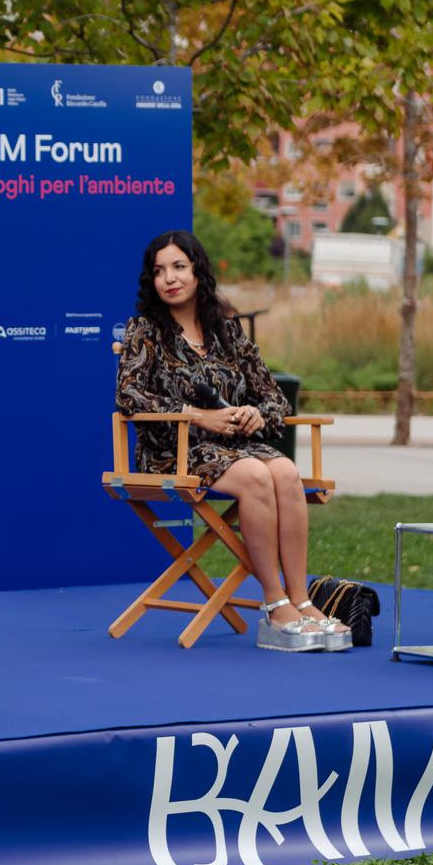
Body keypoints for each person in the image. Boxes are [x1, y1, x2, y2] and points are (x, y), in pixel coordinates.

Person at [115, 230, 350, 652]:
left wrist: (257, 413)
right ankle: (275, 605)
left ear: (197, 271)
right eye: (159, 271)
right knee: (258, 477)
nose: (169, 278)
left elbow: (273, 396)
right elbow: (129, 395)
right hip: (175, 451)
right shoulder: (144, 329)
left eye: (179, 267)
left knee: (285, 471)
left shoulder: (227, 330)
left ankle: (300, 599)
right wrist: (200, 415)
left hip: (236, 448)